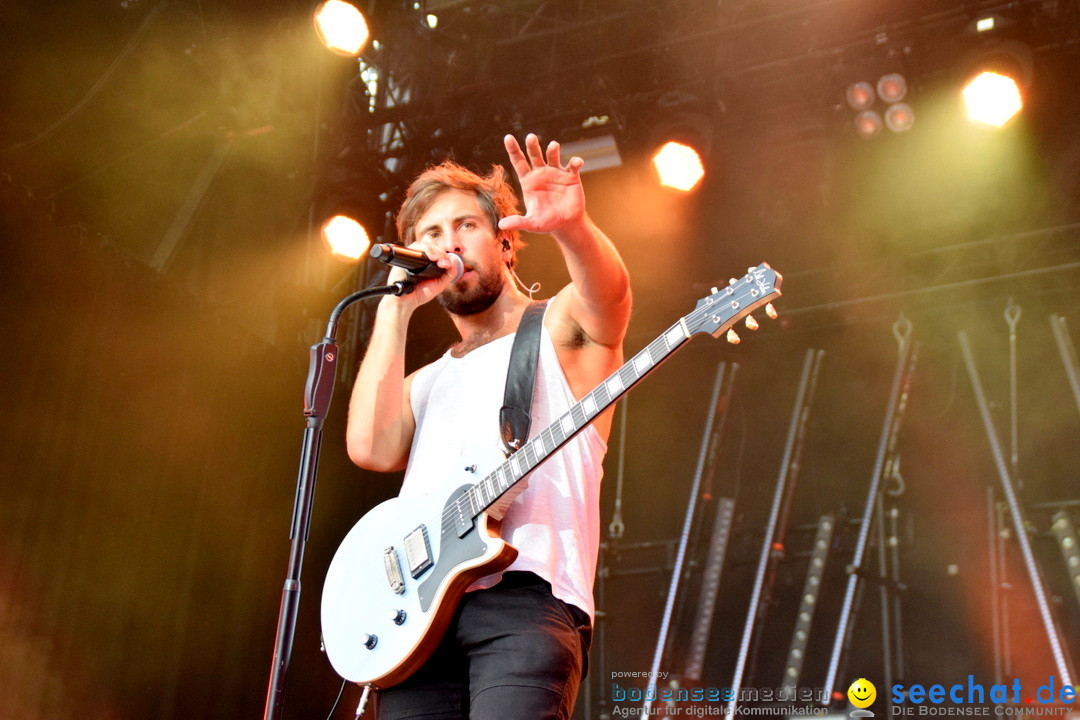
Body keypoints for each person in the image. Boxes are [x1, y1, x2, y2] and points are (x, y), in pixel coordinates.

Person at [345, 132, 632, 720]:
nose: (448, 244)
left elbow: (611, 303)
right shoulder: (424, 381)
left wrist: (572, 228)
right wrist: (395, 312)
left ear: (505, 241)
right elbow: (370, 449)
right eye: (430, 233)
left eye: (465, 226)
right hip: (419, 622)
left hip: (525, 600)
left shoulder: (556, 329)